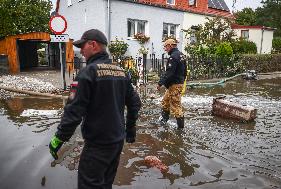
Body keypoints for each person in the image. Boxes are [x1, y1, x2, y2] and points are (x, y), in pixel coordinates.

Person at [49, 29, 141, 189]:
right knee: (106, 183)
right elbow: (135, 103)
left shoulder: (87, 73)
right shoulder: (120, 71)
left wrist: (59, 138)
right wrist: (130, 128)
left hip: (98, 144)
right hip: (117, 142)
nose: (81, 51)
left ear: (93, 45)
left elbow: (74, 112)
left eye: (83, 46)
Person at [157, 39, 187, 129]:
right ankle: (164, 121)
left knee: (176, 107)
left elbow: (169, 73)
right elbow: (185, 71)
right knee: (165, 102)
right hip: (175, 84)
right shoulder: (181, 55)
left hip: (175, 85)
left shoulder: (173, 57)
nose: (165, 49)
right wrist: (182, 81)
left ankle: (181, 129)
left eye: (165, 46)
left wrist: (160, 83)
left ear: (170, 45)